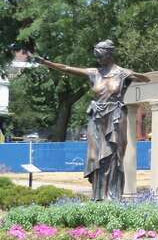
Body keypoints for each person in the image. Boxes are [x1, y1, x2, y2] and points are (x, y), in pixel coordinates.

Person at [33, 40, 150, 200]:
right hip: (96, 119)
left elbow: (146, 79)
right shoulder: (94, 73)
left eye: (100, 56)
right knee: (95, 156)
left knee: (114, 156)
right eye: (96, 56)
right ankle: (98, 195)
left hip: (115, 117)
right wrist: (45, 62)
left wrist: (131, 74)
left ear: (109, 55)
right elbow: (67, 69)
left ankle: (113, 195)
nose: (98, 60)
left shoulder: (122, 74)